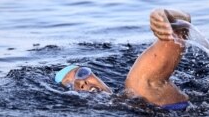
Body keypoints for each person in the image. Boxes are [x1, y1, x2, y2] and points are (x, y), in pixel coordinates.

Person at [55, 9, 191, 110]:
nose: (81, 82)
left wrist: (165, 17)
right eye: (70, 85)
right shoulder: (130, 101)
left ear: (96, 76)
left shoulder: (137, 89)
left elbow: (176, 35)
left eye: (81, 73)